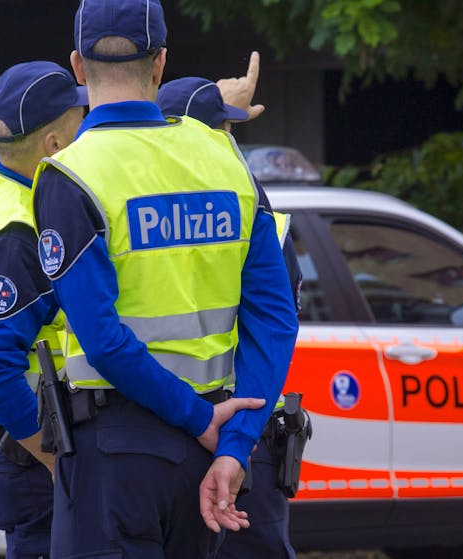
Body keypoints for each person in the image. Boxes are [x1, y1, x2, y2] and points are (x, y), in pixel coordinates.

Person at [29, 0, 300, 556]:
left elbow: (103, 340)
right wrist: (234, 446)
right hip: (208, 454)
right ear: (160, 64)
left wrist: (199, 419)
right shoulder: (224, 159)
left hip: (117, 456)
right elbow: (275, 319)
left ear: (77, 66)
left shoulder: (71, 175)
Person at [156, 74, 301, 559]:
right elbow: (273, 329)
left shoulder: (140, 216)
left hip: (155, 429)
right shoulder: (246, 209)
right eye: (227, 130)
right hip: (237, 433)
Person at [0, 60, 87, 559]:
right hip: (39, 462)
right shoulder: (15, 234)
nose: (87, 129)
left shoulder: (14, 191)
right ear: (53, 143)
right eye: (79, 122)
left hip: (42, 450)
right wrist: (55, 461)